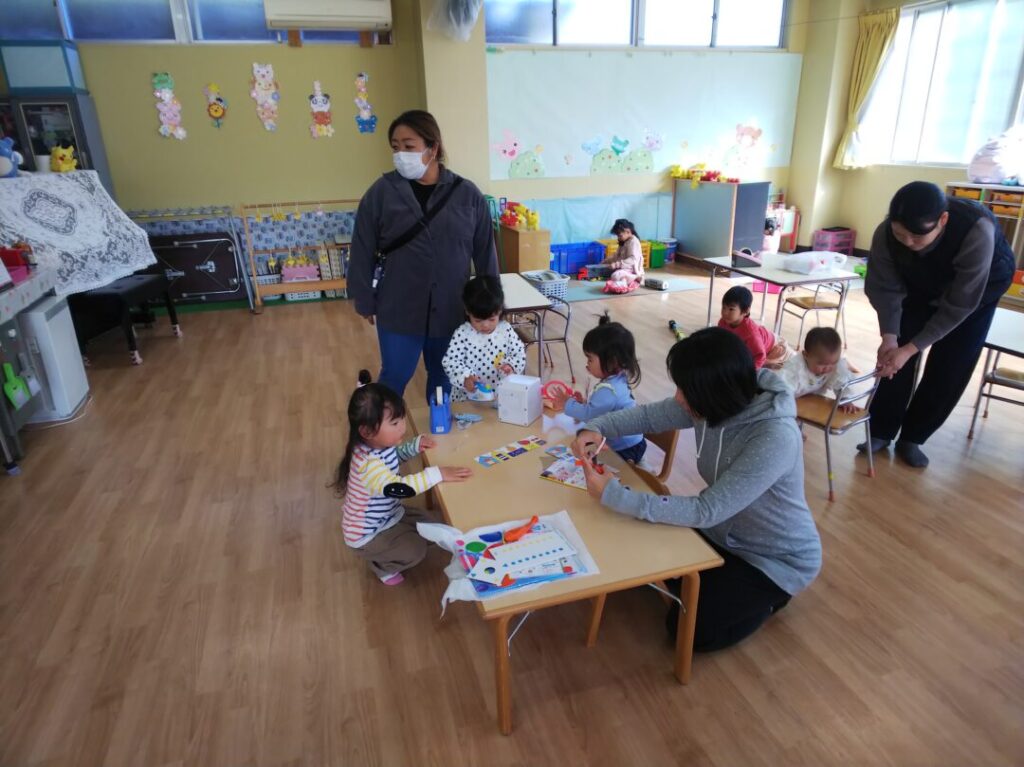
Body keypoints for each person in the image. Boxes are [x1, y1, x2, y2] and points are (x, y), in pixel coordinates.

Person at [571, 328, 821, 652]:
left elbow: (705, 510)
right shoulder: (709, 400)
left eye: (684, 390)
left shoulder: (775, 437)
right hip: (722, 532)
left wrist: (615, 494)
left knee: (690, 632)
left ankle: (772, 598)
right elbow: (648, 416)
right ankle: (719, 584)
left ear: (714, 392)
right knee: (636, 557)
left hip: (773, 558)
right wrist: (597, 427)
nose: (678, 398)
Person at [347, 110, 498, 400]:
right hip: (399, 308)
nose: (400, 154)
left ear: (433, 148)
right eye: (395, 147)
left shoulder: (467, 195)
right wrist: (364, 298)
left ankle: (439, 427)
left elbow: (485, 256)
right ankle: (382, 428)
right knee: (394, 376)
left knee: (444, 377)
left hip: (451, 308)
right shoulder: (381, 193)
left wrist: (490, 305)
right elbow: (362, 248)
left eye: (408, 146)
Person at [862, 181, 1015, 468]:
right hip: (922, 281)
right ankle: (880, 430)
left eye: (917, 236)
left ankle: (914, 437)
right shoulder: (886, 234)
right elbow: (884, 287)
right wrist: (891, 338)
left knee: (952, 362)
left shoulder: (976, 231)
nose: (908, 242)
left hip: (979, 289)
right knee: (894, 355)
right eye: (900, 234)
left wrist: (912, 348)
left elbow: (960, 303)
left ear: (942, 220)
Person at [336, 371, 472, 585]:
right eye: (394, 423)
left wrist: (414, 447)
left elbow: (393, 458)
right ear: (367, 431)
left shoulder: (377, 444)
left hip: (391, 515)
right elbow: (401, 488)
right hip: (369, 535)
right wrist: (437, 474)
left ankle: (394, 544)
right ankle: (381, 566)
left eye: (401, 419)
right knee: (415, 551)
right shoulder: (368, 466)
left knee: (435, 529)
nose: (402, 426)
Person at [549, 312, 647, 464]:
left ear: (612, 361)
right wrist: (583, 404)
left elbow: (590, 416)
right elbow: (602, 410)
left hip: (625, 448)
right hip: (629, 442)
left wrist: (567, 403)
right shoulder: (618, 378)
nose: (587, 363)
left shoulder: (609, 390)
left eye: (590, 359)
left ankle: (640, 468)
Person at [442, 275, 527, 402]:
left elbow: (519, 353)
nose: (485, 325)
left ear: (499, 310)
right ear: (467, 311)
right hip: (467, 398)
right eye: (478, 320)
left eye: (491, 319)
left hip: (499, 395)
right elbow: (451, 362)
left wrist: (511, 366)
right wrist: (465, 378)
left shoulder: (505, 330)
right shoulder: (463, 334)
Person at [779, 326, 859, 412]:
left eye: (833, 363)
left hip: (810, 400)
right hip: (786, 401)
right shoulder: (795, 368)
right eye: (822, 364)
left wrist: (845, 399)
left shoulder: (836, 365)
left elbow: (842, 382)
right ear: (806, 355)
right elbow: (782, 389)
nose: (827, 368)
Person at [718, 285, 793, 369]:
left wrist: (747, 372)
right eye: (724, 307)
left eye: (731, 309)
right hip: (760, 341)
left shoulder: (750, 333)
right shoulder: (723, 322)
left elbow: (760, 357)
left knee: (791, 362)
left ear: (746, 311)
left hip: (774, 346)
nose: (725, 312)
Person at [600, 218, 645, 289]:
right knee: (609, 271)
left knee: (615, 275)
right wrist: (606, 261)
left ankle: (636, 278)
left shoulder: (634, 242)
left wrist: (616, 264)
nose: (618, 238)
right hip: (624, 268)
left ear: (628, 232)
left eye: (620, 236)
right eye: (617, 236)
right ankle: (625, 280)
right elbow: (616, 256)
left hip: (633, 270)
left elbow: (633, 260)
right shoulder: (623, 242)